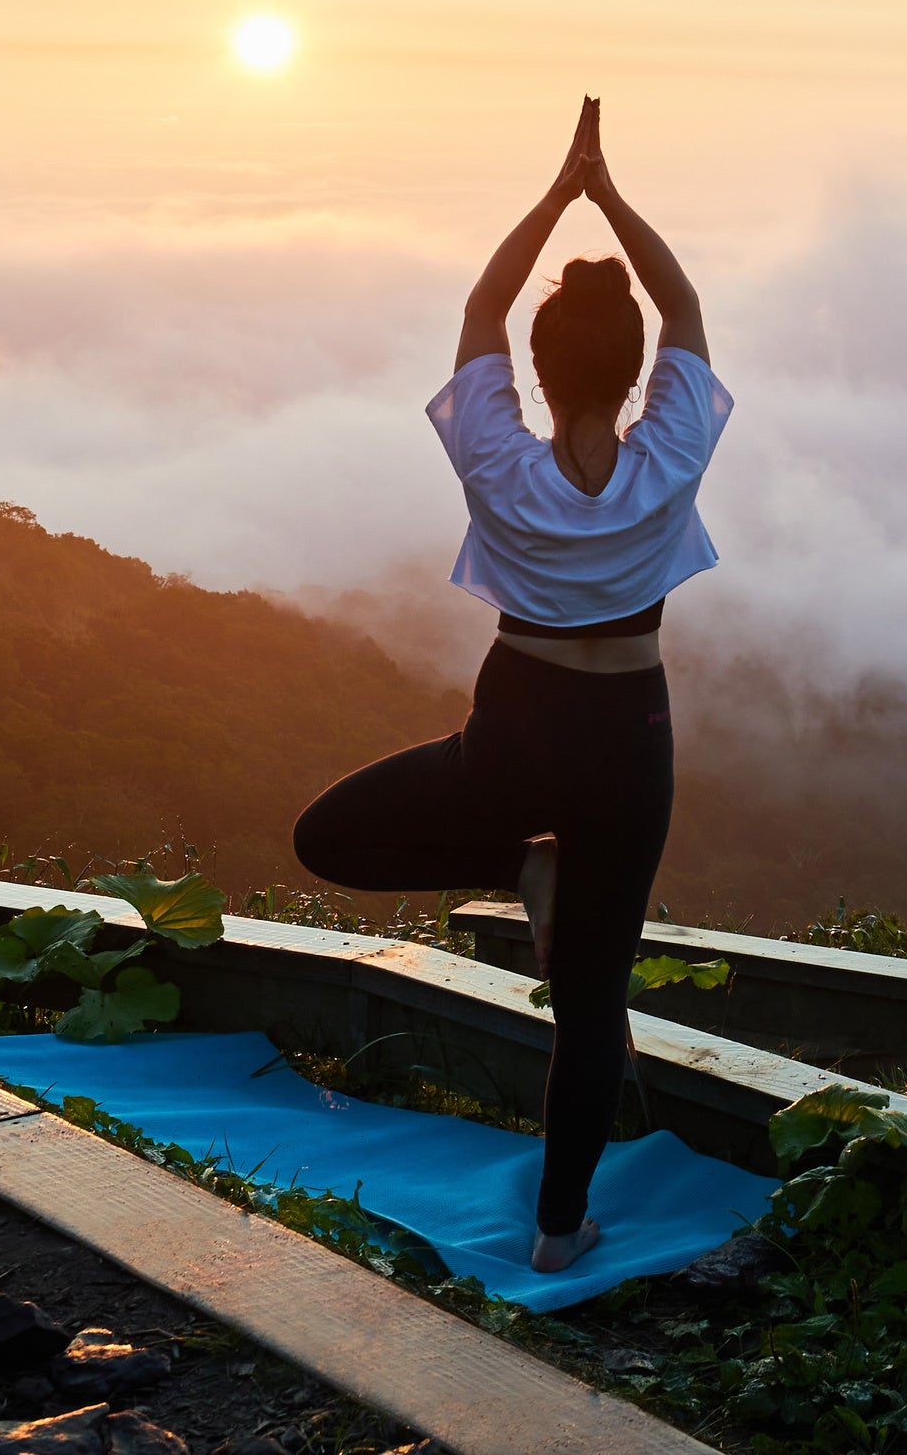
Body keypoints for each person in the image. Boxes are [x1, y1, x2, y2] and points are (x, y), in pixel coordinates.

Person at [289, 98, 727, 1274]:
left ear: (535, 368)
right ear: (639, 369)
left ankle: (512, 861)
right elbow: (682, 307)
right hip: (630, 736)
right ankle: (556, 1228)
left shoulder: (495, 455)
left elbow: (483, 307)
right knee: (593, 994)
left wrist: (558, 193)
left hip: (517, 728)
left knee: (324, 836)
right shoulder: (673, 450)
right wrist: (610, 195)